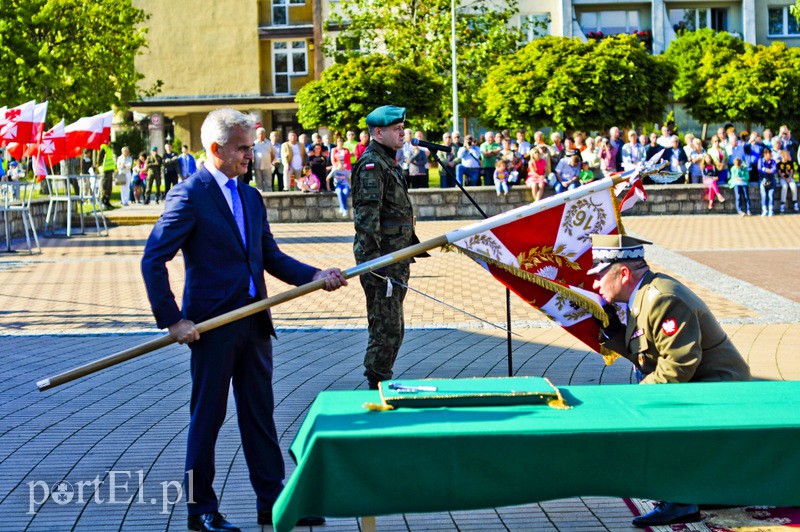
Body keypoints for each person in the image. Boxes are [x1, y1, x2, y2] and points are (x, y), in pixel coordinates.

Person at [141, 108, 346, 532]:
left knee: (260, 416)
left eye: (251, 148)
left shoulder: (249, 197)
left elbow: (268, 256)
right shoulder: (189, 194)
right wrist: (172, 320)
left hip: (254, 324)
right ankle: (200, 510)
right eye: (242, 149)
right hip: (211, 328)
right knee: (207, 420)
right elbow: (153, 259)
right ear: (215, 149)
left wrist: (314, 275)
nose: (250, 156)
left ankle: (273, 503)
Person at [590, 234, 750, 528]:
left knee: (658, 413)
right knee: (652, 404)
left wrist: (636, 400)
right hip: (700, 382)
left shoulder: (662, 298)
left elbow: (678, 366)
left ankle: (680, 501)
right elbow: (645, 356)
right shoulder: (642, 296)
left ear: (623, 273)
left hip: (719, 387)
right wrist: (610, 329)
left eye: (600, 275)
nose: (595, 285)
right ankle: (698, 488)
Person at [351, 105, 427, 390]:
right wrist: (375, 263)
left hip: (395, 257)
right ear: (378, 132)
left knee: (392, 324)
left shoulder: (387, 161)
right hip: (381, 260)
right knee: (387, 325)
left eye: (402, 128)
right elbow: (366, 217)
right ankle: (377, 382)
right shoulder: (372, 164)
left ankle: (380, 377)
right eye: (396, 129)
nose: (402, 133)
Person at [252, 127, 274, 193]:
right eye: (260, 134)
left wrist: (270, 161)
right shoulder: (254, 143)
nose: (261, 135)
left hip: (267, 165)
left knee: (268, 181)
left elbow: (273, 154)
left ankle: (269, 193)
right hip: (257, 165)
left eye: (263, 134)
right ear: (257, 135)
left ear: (265, 134)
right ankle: (259, 193)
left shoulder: (269, 143)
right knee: (258, 181)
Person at [758, 148, 777, 216]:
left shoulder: (773, 161)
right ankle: (764, 210)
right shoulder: (760, 161)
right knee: (764, 196)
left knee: (771, 196)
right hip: (762, 180)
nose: (770, 155)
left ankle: (771, 210)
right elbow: (760, 169)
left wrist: (765, 169)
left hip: (771, 180)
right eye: (769, 153)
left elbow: (774, 170)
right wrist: (768, 170)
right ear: (765, 154)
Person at [99, 143, 116, 208]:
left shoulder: (109, 148)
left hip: (110, 170)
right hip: (105, 170)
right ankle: (103, 201)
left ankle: (107, 201)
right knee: (104, 186)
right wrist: (99, 166)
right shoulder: (104, 147)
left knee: (109, 187)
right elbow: (100, 158)